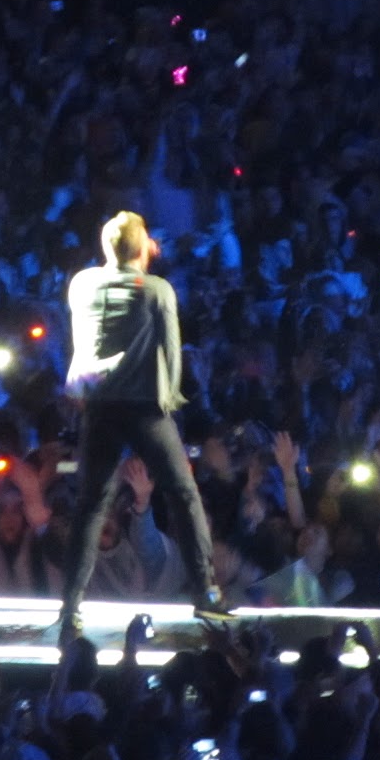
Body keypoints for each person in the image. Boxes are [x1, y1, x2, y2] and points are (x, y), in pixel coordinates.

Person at [60, 211, 229, 632]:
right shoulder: (157, 289)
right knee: (183, 493)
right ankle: (206, 593)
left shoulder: (82, 283)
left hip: (99, 404)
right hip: (143, 406)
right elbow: (171, 352)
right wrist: (170, 402)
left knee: (91, 504)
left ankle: (70, 607)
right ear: (141, 247)